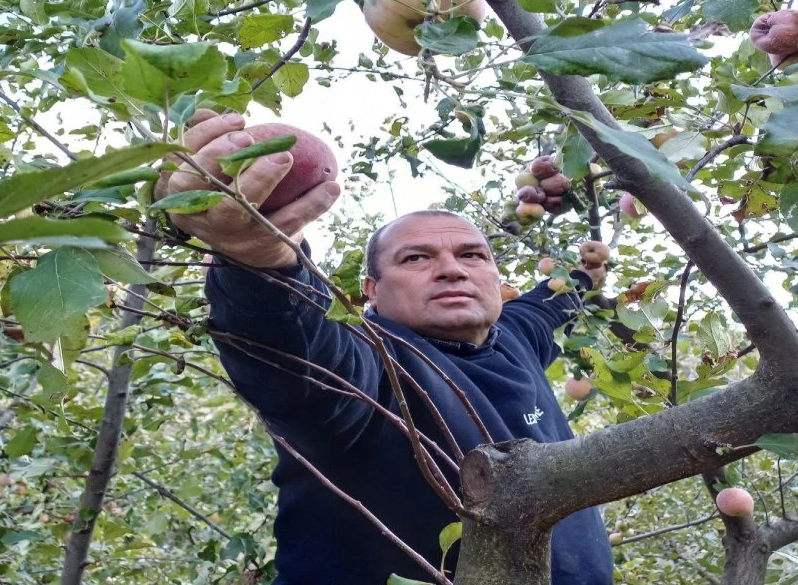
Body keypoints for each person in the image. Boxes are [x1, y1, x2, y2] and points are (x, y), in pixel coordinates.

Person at [156, 111, 615, 585]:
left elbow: (552, 299)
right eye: (416, 258)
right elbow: (298, 351)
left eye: (472, 255)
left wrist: (585, 274)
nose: (452, 270)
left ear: (496, 280)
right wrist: (260, 261)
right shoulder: (371, 360)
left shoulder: (515, 336)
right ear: (372, 291)